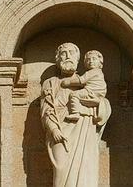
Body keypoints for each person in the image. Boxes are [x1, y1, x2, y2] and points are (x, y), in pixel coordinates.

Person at [40, 43, 111, 187]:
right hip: (60, 133)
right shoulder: (50, 83)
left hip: (85, 132)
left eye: (71, 53)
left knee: (85, 173)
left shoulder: (87, 81)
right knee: (61, 173)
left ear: (78, 58)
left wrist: (98, 104)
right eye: (63, 53)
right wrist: (53, 129)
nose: (67, 56)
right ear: (58, 59)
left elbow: (103, 104)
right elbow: (46, 111)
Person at [61, 50, 107, 122]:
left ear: (100, 63)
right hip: (98, 93)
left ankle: (75, 113)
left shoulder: (92, 72)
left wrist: (68, 82)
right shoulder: (99, 73)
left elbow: (80, 80)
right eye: (88, 60)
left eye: (94, 59)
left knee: (74, 94)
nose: (91, 61)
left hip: (90, 91)